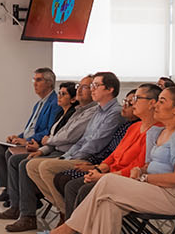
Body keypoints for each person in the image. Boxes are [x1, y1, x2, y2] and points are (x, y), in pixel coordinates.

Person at [49, 86, 175, 234]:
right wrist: (142, 170)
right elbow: (155, 164)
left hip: (173, 196)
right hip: (155, 189)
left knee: (108, 180)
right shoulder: (163, 132)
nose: (156, 104)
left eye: (162, 101)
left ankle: (73, 226)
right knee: (107, 206)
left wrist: (143, 178)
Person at [47, 85, 156, 234]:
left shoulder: (155, 131)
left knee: (82, 188)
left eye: (136, 99)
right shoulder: (133, 127)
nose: (132, 104)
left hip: (125, 179)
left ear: (152, 103)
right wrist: (100, 169)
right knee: (73, 185)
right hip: (108, 171)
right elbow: (113, 154)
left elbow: (138, 166)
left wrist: (102, 174)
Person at [28, 72, 129, 217]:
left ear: (110, 89)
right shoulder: (98, 111)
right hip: (78, 154)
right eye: (91, 86)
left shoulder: (115, 113)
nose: (92, 89)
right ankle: (65, 211)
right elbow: (83, 139)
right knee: (31, 166)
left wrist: (71, 158)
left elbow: (96, 144)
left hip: (91, 159)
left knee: (45, 167)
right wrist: (68, 156)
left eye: (95, 85)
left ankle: (69, 217)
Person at [0, 78, 93, 226]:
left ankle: (30, 211)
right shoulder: (65, 112)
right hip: (53, 149)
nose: (34, 83)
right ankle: (15, 201)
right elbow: (51, 136)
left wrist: (40, 145)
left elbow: (62, 137)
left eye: (63, 94)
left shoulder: (68, 110)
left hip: (65, 153)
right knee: (4, 152)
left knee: (21, 163)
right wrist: (27, 141)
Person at [0, 67, 58, 200]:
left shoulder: (55, 103)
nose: (35, 83)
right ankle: (8, 190)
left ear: (49, 83)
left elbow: (49, 131)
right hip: (27, 140)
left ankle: (18, 195)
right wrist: (18, 137)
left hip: (37, 144)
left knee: (10, 154)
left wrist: (27, 141)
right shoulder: (39, 103)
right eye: (34, 80)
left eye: (39, 80)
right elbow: (31, 128)